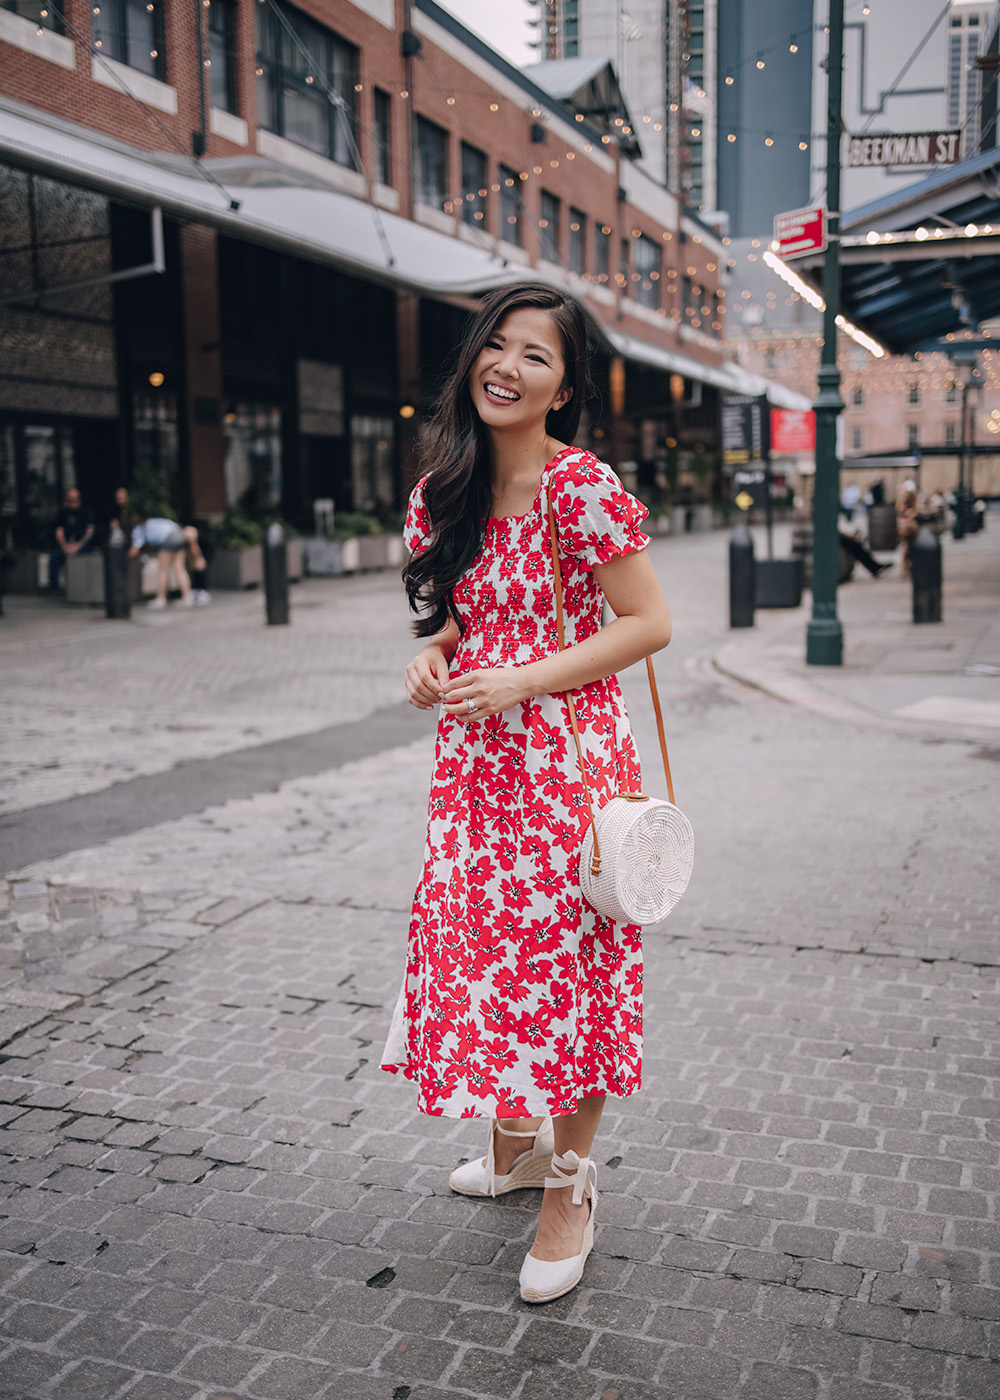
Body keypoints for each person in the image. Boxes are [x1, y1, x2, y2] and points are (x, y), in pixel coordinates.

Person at [381, 284, 672, 1306]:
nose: (506, 367)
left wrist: (524, 679)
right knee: (486, 956)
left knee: (569, 968)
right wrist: (435, 654)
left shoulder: (578, 485)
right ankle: (513, 1141)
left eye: (535, 355)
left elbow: (647, 622)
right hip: (475, 770)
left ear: (566, 386)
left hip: (567, 766)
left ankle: (569, 1189)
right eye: (495, 345)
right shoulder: (444, 488)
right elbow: (465, 619)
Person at [129, 515, 201, 609]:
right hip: (179, 534)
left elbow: (135, 549)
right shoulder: (154, 521)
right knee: (180, 568)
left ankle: (160, 598)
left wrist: (125, 558)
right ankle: (187, 597)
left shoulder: (139, 528)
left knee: (162, 570)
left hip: (169, 539)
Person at [49, 486, 94, 591]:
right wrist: (64, 546)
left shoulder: (86, 512)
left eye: (74, 500)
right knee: (54, 557)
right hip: (66, 545)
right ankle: (54, 588)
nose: (72, 503)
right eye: (70, 500)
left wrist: (78, 546)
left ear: (79, 500)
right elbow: (59, 532)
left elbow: (89, 532)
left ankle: (84, 588)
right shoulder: (63, 513)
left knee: (89, 556)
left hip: (82, 545)